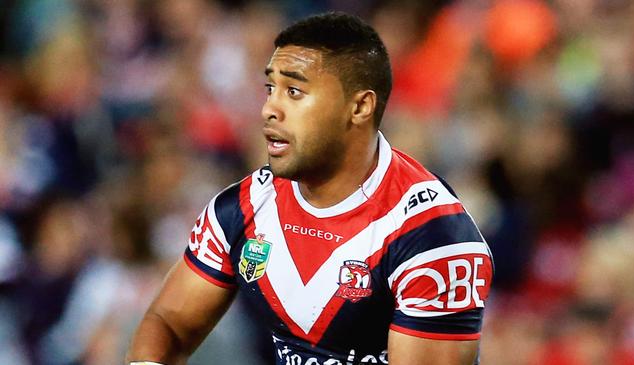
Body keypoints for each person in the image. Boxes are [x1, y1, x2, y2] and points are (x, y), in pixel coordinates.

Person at [126, 11, 493, 365]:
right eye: (271, 88)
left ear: (360, 106)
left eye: (295, 92)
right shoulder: (244, 207)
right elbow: (168, 326)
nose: (270, 108)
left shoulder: (431, 238)